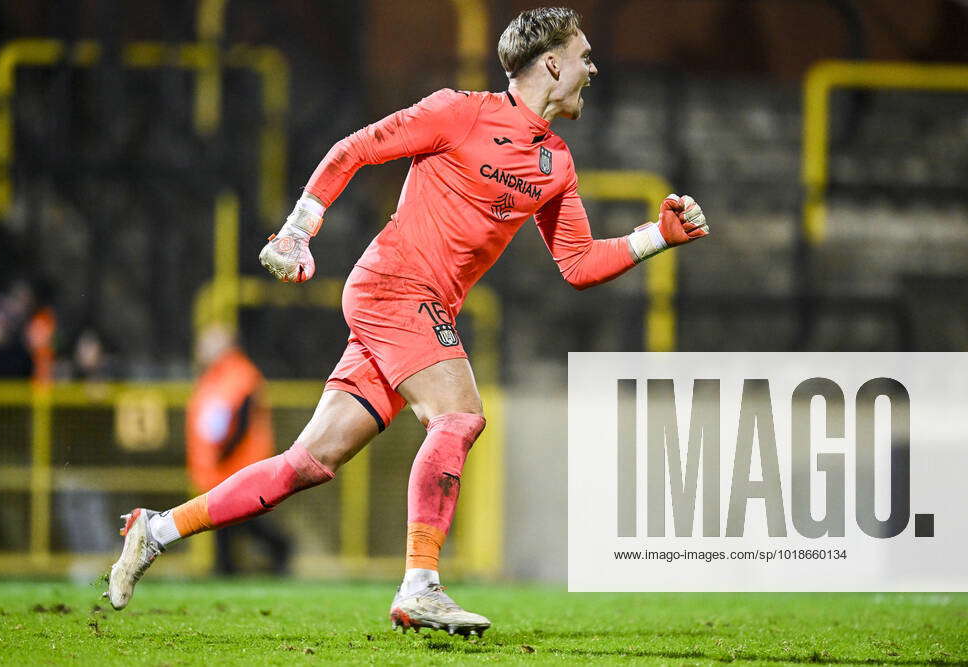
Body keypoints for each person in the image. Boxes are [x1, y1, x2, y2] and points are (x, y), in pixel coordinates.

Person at [107, 7, 709, 637]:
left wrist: (656, 237)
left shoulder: (556, 163)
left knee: (307, 464)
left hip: (419, 308)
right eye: (584, 56)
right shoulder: (461, 111)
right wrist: (298, 231)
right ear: (552, 63)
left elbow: (579, 263)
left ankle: (154, 529)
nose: (593, 67)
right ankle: (420, 585)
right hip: (394, 288)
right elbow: (354, 149)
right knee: (460, 414)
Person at [186, 324, 290, 575]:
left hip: (237, 465)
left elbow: (241, 422)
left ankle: (278, 548)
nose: (201, 349)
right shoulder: (212, 377)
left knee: (238, 520)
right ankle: (226, 568)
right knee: (226, 523)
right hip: (219, 467)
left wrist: (224, 453)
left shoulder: (241, 374)